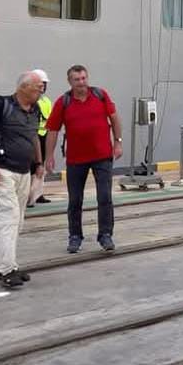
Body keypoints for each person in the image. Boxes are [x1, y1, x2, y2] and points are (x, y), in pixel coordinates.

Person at [0, 71, 44, 288]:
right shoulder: (0, 105)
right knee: (8, 219)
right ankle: (5, 270)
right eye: (37, 87)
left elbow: (33, 136)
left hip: (23, 171)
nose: (41, 91)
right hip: (1, 171)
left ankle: (8, 264)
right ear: (23, 88)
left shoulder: (35, 109)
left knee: (17, 220)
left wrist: (38, 164)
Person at [44, 65, 123, 253]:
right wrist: (49, 156)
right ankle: (75, 236)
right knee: (75, 200)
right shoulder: (63, 102)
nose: (81, 83)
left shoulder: (100, 95)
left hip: (102, 157)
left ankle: (105, 235)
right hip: (76, 159)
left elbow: (114, 118)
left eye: (83, 78)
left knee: (104, 197)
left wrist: (118, 142)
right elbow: (53, 130)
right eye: (77, 79)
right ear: (70, 82)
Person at [28, 69, 53, 206]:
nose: (43, 86)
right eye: (41, 83)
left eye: (44, 84)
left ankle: (38, 194)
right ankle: (29, 196)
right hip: (33, 135)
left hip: (44, 135)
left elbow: (51, 119)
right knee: (32, 166)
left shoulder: (47, 101)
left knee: (40, 165)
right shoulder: (30, 100)